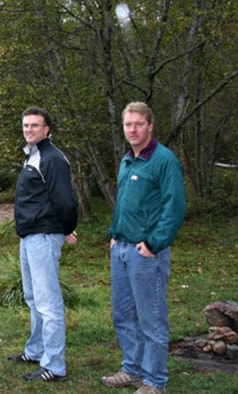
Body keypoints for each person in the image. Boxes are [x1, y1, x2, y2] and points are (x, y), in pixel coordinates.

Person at [101, 102, 186, 394]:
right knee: (123, 315)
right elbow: (124, 202)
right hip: (121, 250)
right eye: (128, 125)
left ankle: (154, 381)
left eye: (138, 124)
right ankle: (132, 370)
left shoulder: (164, 160)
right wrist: (114, 234)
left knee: (151, 320)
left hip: (146, 254)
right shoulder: (128, 160)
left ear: (150, 125)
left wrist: (153, 244)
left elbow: (174, 208)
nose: (133, 130)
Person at [8, 106, 78, 382]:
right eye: (26, 125)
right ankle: (36, 351)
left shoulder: (52, 159)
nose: (29, 130)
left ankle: (55, 365)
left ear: (47, 129)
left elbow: (64, 200)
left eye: (35, 125)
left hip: (43, 237)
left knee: (48, 302)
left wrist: (66, 228)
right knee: (33, 297)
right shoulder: (33, 156)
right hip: (29, 236)